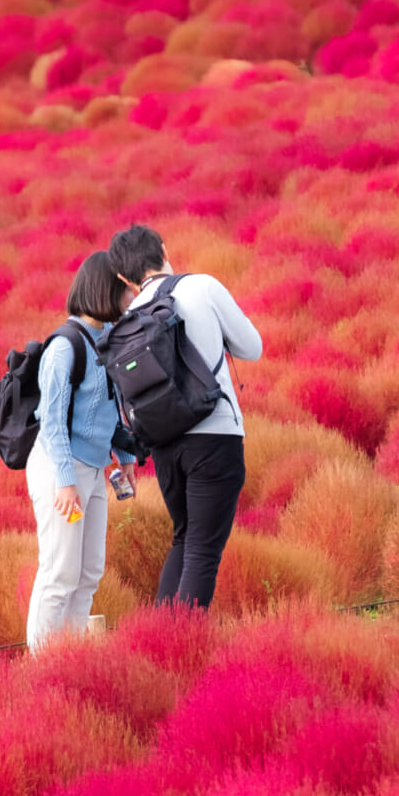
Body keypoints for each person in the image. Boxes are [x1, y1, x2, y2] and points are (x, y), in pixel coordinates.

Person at [107, 222, 262, 609]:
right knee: (202, 552)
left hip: (164, 446)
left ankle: (162, 643)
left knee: (185, 538)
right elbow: (252, 347)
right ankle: (182, 649)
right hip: (215, 437)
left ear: (125, 277)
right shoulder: (202, 286)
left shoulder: (129, 317)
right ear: (162, 247)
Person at [25, 251, 134, 650]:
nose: (128, 297)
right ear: (106, 290)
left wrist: (125, 460)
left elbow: (112, 405)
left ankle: (70, 658)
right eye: (124, 289)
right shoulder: (65, 348)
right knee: (59, 573)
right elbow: (52, 423)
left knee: (89, 572)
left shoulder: (104, 342)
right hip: (61, 470)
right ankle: (44, 666)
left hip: (91, 469)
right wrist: (66, 483)